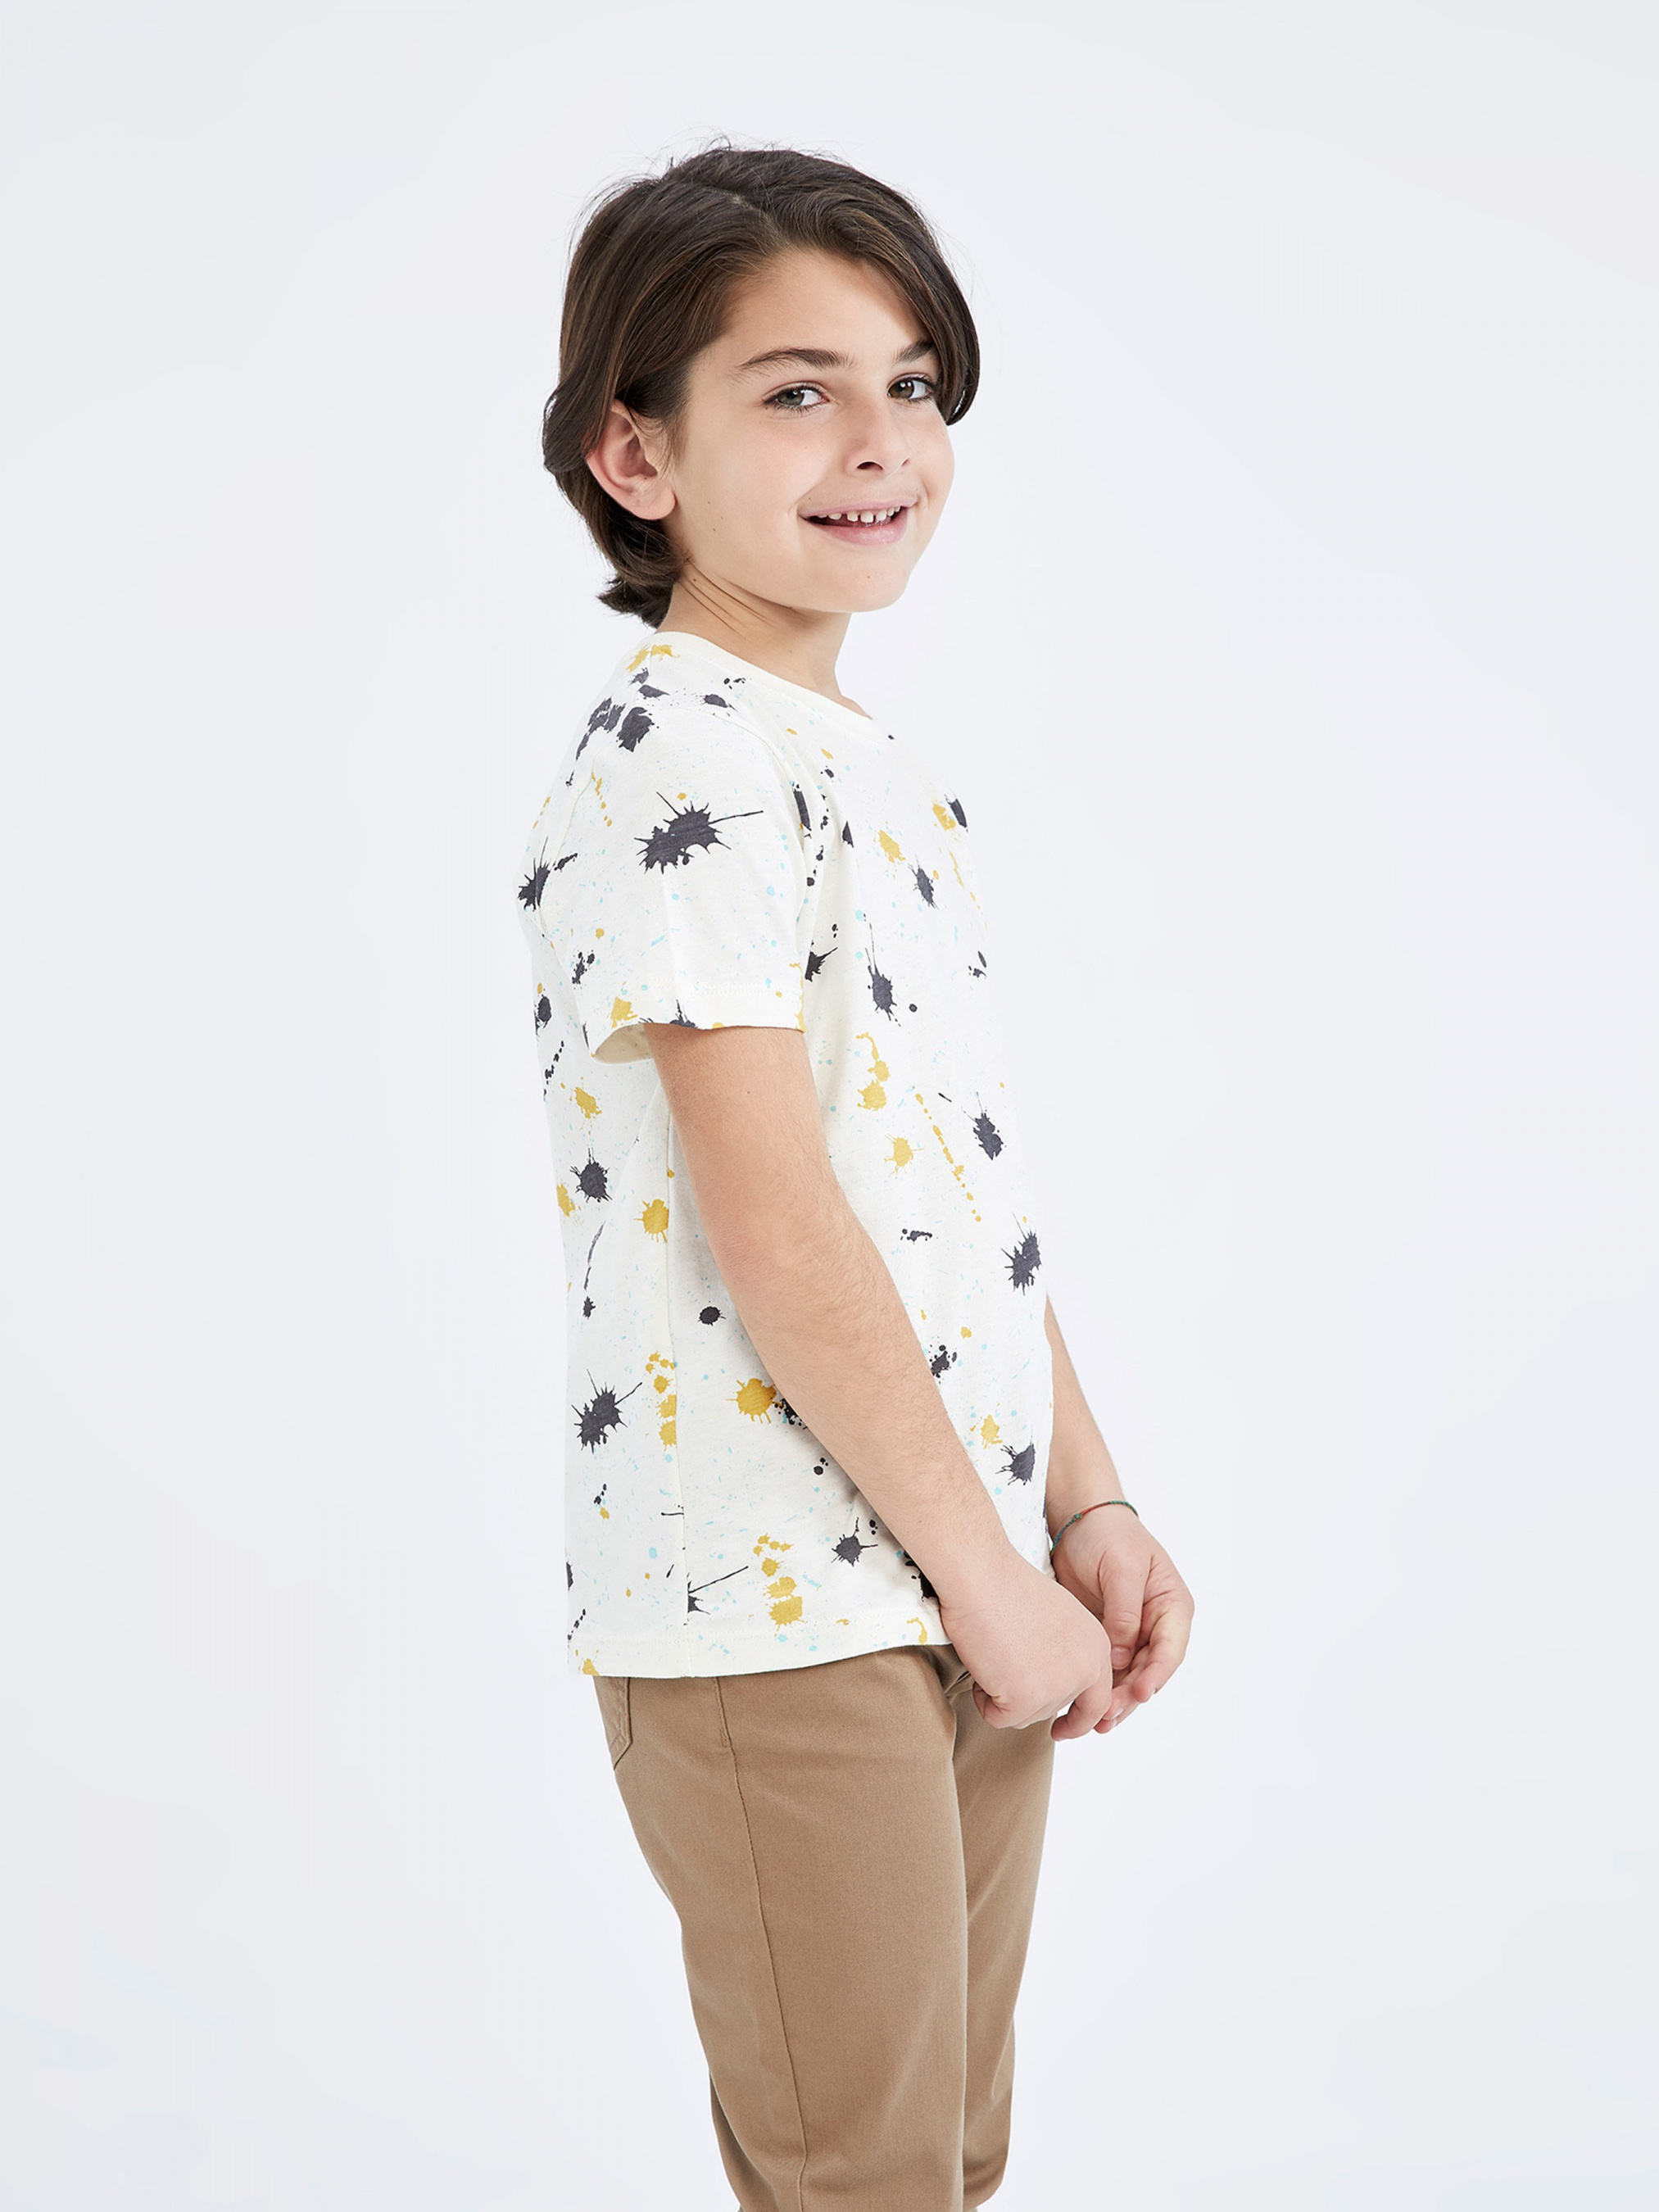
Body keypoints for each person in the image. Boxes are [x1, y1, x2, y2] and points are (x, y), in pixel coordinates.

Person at [518, 141, 1194, 2212]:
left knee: (941, 2161)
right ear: (635, 453)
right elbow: (774, 1221)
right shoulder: (678, 759)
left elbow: (949, 1196)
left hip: (944, 1560)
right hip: (777, 1597)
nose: (878, 441)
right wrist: (989, 1581)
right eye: (796, 390)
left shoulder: (864, 768)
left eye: (910, 385)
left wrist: (1080, 1504)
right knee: (865, 2180)